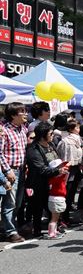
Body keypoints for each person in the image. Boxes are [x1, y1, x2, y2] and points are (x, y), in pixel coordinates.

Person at [25, 122, 69, 238]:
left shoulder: (51, 145)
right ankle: (37, 231)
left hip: (53, 182)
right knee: (38, 208)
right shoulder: (33, 150)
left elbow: (57, 160)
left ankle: (53, 228)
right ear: (42, 135)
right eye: (50, 134)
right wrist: (57, 171)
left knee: (52, 207)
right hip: (38, 183)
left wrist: (62, 167)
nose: (52, 136)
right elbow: (41, 169)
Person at [0, 102, 28, 242]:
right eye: (22, 111)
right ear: (13, 115)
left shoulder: (23, 129)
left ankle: (7, 227)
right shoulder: (4, 130)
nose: (26, 114)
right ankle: (10, 232)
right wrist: (7, 170)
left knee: (18, 203)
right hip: (10, 171)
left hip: (22, 170)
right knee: (9, 203)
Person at [56, 119, 83, 225]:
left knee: (72, 195)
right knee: (66, 194)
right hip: (68, 169)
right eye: (76, 127)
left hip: (76, 168)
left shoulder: (78, 139)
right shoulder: (65, 141)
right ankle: (63, 218)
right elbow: (63, 156)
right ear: (71, 129)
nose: (78, 129)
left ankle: (66, 217)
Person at [46, 159, 69, 239]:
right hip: (56, 199)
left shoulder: (56, 178)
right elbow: (61, 178)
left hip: (55, 199)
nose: (63, 168)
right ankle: (51, 234)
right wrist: (63, 174)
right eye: (60, 167)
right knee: (54, 219)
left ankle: (54, 231)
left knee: (55, 218)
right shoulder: (56, 178)